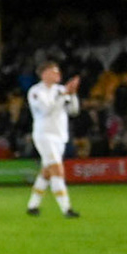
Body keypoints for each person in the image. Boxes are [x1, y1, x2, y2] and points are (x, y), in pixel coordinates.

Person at [26, 62, 81, 217]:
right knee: (57, 169)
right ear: (44, 74)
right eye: (54, 72)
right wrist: (63, 95)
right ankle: (66, 209)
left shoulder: (60, 89)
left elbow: (73, 110)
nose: (58, 74)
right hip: (44, 135)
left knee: (47, 172)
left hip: (60, 136)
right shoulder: (36, 91)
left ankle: (32, 206)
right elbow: (46, 110)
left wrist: (72, 94)